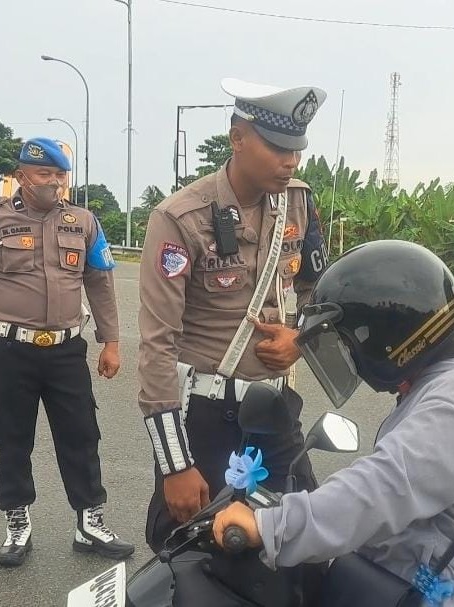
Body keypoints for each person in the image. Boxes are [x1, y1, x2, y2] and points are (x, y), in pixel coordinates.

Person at [213, 240, 454, 607]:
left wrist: (273, 526)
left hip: (433, 597)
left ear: (382, 336)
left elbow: (382, 488)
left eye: (345, 341)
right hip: (397, 585)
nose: (346, 353)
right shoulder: (441, 386)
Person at [137, 78, 331, 551]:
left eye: (297, 149)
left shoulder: (299, 202)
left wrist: (297, 338)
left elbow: (317, 292)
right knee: (191, 547)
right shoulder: (181, 218)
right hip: (205, 413)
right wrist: (174, 465)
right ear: (238, 139)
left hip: (275, 406)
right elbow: (157, 345)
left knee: (302, 537)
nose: (290, 161)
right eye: (277, 146)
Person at [0, 138, 134, 567]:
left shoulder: (83, 222)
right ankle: (17, 523)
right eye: (45, 174)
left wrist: (112, 341)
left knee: (82, 436)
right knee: (12, 439)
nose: (55, 183)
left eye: (60, 175)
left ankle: (90, 522)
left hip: (67, 351)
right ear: (23, 176)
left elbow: (99, 282)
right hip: (9, 350)